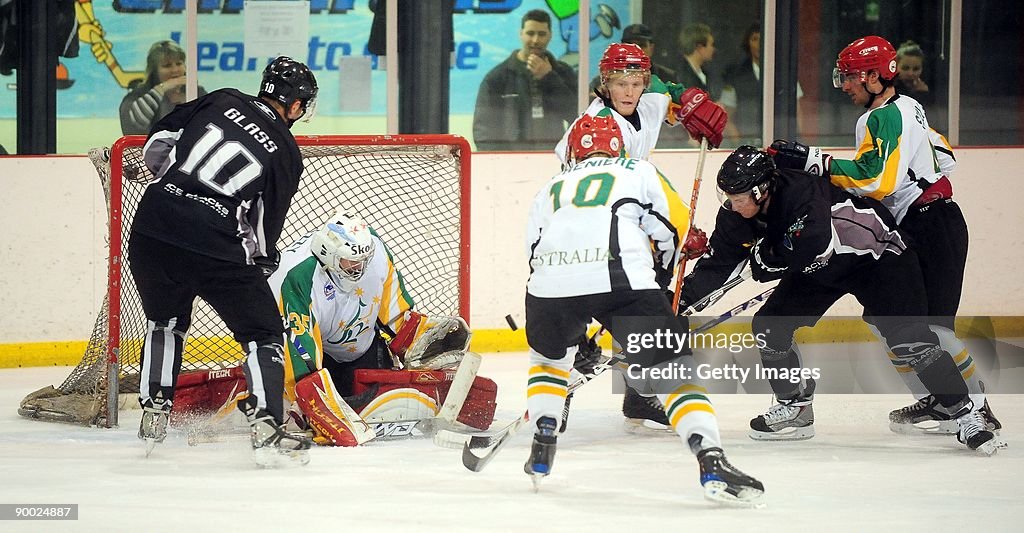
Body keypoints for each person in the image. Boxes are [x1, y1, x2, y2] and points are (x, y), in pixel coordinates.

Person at [682, 145, 1003, 455]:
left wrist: (767, 259)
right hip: (820, 266)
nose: (731, 205)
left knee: (910, 339)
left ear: (760, 191)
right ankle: (794, 406)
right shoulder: (736, 215)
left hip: (878, 257)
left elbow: (812, 243)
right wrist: (681, 301)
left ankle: (966, 416)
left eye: (737, 198)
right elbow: (718, 263)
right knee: (769, 327)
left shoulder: (802, 194)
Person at [766, 35, 1001, 437]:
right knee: (884, 319)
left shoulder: (881, 117)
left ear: (875, 76)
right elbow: (945, 156)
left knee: (932, 329)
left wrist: (814, 162)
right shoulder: (909, 108)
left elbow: (876, 179)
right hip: (925, 222)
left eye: (852, 77)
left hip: (930, 224)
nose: (844, 85)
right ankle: (940, 401)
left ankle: (975, 408)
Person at [523, 114, 763, 504]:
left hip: (550, 288)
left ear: (572, 152)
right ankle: (711, 458)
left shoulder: (549, 187)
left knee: (550, 363)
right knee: (672, 372)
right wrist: (660, 277)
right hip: (624, 281)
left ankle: (543, 441)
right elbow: (673, 230)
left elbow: (534, 253)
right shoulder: (638, 169)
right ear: (619, 145)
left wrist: (573, 331)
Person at [129, 56, 318, 467]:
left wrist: (178, 189)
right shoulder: (285, 150)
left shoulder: (221, 98)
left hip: (151, 227)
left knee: (165, 319)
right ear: (297, 105)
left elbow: (157, 141)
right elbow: (265, 224)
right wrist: (261, 263)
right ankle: (268, 423)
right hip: (214, 241)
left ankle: (154, 413)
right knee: (263, 331)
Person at [554, 42, 726, 429]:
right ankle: (557, 393)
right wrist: (678, 229)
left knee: (647, 312)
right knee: (584, 315)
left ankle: (640, 395)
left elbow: (666, 89)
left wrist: (689, 97)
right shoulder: (595, 128)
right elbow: (626, 185)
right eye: (620, 83)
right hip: (593, 229)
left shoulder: (647, 101)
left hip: (629, 222)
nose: (630, 91)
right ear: (605, 84)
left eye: (636, 82)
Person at [266, 209, 497, 446]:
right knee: (301, 396)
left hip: (360, 348)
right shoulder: (297, 276)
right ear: (329, 255)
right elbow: (298, 344)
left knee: (378, 393)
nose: (361, 267)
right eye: (352, 262)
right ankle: (273, 403)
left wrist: (419, 339)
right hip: (308, 354)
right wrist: (306, 397)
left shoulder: (373, 251)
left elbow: (394, 310)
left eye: (364, 259)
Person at [472, 9, 577, 151]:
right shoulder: (497, 78)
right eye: (530, 33)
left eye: (541, 34)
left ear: (550, 36)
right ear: (521, 34)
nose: (535, 40)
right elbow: (483, 131)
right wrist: (497, 162)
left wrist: (549, 78)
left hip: (554, 158)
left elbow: (576, 115)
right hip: (510, 163)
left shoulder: (563, 73)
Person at [119, 40, 208, 135]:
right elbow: (134, 125)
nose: (175, 70)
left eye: (179, 64)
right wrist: (163, 87)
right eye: (167, 66)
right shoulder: (136, 96)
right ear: (154, 71)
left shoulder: (197, 92)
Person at [588, 23, 676, 98]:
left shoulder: (668, 79)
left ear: (651, 48)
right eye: (630, 45)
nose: (636, 50)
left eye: (641, 45)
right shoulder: (604, 80)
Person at [720, 23, 763, 146]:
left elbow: (797, 110)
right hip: (746, 142)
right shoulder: (735, 75)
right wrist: (738, 141)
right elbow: (726, 116)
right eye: (755, 39)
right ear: (748, 43)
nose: (759, 44)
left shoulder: (783, 73)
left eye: (762, 38)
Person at [894, 40, 934, 107]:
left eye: (916, 69)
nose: (910, 73)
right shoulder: (888, 90)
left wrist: (923, 93)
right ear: (896, 66)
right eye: (905, 68)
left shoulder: (926, 90)